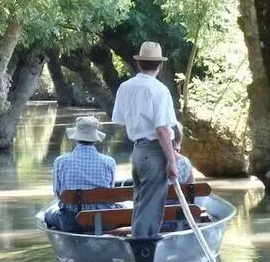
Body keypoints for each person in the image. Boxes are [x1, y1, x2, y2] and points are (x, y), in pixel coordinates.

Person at [111, 41, 179, 238]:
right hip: (154, 151)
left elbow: (120, 119)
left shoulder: (125, 87)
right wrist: (172, 161)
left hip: (138, 151)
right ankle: (143, 248)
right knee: (151, 206)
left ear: (139, 64)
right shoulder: (159, 90)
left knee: (141, 202)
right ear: (160, 65)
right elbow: (163, 130)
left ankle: (138, 244)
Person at [44, 116, 119, 232]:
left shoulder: (60, 161)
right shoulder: (109, 162)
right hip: (104, 221)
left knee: (47, 214)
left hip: (72, 222)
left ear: (75, 138)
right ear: (95, 138)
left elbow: (58, 193)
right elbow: (111, 195)